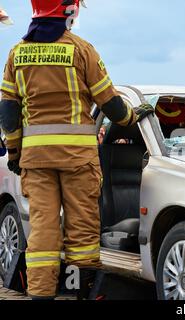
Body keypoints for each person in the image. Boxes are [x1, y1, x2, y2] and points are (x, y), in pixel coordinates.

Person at [0, 0, 150, 300]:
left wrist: (15, 152)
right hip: (77, 159)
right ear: (68, 10)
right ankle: (80, 291)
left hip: (36, 159)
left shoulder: (17, 53)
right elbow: (111, 103)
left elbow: (8, 112)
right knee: (82, 228)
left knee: (43, 228)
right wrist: (134, 117)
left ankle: (41, 294)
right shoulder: (82, 50)